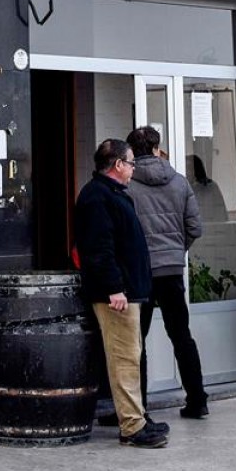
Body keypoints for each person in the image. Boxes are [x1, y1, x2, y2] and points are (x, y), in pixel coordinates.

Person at [74, 139, 168, 448]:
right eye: (130, 164)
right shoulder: (98, 198)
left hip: (127, 292)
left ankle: (136, 419)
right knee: (125, 359)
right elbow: (99, 250)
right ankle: (132, 427)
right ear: (117, 165)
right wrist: (115, 288)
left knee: (130, 356)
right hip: (116, 296)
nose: (132, 169)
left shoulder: (110, 194)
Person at [127, 126, 209, 420]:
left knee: (137, 340)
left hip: (140, 272)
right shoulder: (180, 182)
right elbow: (195, 228)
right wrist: (176, 251)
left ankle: (138, 407)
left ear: (132, 151)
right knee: (181, 335)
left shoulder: (128, 185)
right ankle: (198, 400)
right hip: (172, 270)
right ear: (156, 147)